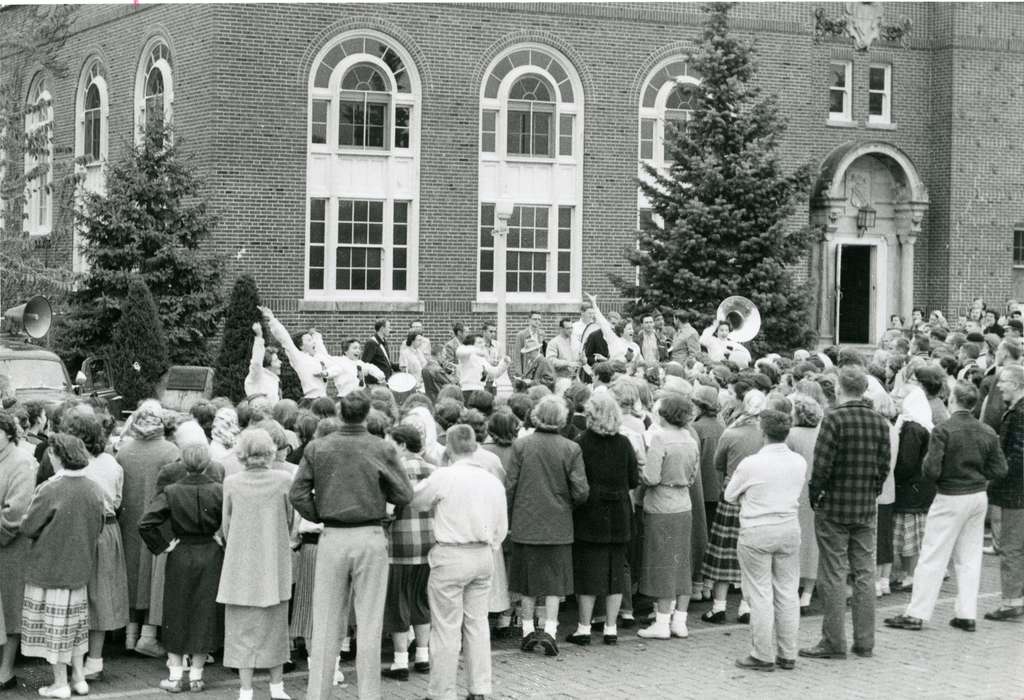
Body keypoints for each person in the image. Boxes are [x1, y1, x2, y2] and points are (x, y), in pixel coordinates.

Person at [290, 391, 413, 700]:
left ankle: (318, 694)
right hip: (370, 535)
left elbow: (298, 493)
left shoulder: (319, 447)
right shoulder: (381, 448)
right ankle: (369, 695)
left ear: (341, 413)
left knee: (326, 620)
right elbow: (404, 494)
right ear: (367, 413)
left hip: (332, 535)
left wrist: (318, 513)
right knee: (369, 622)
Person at [884, 382, 1007, 631]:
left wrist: (944, 475)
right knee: (969, 557)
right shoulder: (986, 431)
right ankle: (966, 613)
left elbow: (930, 470)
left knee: (932, 555)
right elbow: (1000, 469)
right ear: (973, 403)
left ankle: (917, 613)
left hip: (950, 494)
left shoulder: (943, 430)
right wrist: (978, 473)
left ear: (953, 400)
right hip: (977, 494)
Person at [409, 424, 507, 700]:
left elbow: (417, 501)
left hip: (451, 552)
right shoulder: (492, 480)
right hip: (483, 552)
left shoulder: (444, 476)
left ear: (448, 448)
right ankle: (479, 687)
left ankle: (442, 691)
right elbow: (501, 526)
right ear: (475, 446)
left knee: (446, 626)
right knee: (477, 624)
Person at [801, 367, 891, 661]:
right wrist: (872, 491)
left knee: (834, 573)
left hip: (835, 506)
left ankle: (833, 641)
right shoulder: (879, 421)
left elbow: (822, 466)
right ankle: (865, 641)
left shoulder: (834, 419)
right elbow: (883, 466)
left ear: (840, 388)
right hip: (864, 505)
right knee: (865, 573)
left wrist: (817, 495)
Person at [19, 433, 105, 699]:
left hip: (49, 569)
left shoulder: (49, 488)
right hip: (79, 570)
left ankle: (60, 683)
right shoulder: (94, 487)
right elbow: (99, 526)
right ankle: (78, 678)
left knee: (53, 629)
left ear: (57, 456)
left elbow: (28, 526)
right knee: (76, 628)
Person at [506, 395, 589, 657]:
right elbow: (581, 490)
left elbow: (510, 486)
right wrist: (566, 505)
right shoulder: (571, 448)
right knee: (555, 581)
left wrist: (510, 514)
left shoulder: (521, 445)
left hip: (526, 519)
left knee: (527, 580)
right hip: (558, 521)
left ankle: (528, 630)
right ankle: (551, 631)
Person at [139, 440, 224, 692]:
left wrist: (163, 546)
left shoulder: (172, 491)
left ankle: (175, 675)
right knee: (204, 611)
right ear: (207, 462)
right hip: (210, 552)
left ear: (182, 463)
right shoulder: (219, 489)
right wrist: (221, 538)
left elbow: (145, 523)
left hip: (181, 552)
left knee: (176, 611)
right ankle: (197, 675)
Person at [725, 409, 806, 671]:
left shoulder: (751, 464)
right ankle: (788, 652)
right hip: (788, 526)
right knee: (787, 591)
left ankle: (762, 653)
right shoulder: (798, 461)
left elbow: (729, 494)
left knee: (759, 593)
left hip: (757, 528)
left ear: (763, 432)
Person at [218, 428, 294, 700]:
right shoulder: (284, 479)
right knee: (275, 625)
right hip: (273, 561)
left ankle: (246, 690)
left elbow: (226, 525)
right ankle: (277, 687)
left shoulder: (232, 482)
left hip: (240, 562)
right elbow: (290, 519)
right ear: (271, 452)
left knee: (241, 630)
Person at [567, 393, 638, 646]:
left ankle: (584, 628)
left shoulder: (581, 443)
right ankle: (610, 628)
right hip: (619, 511)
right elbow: (633, 479)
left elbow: (575, 482)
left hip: (590, 512)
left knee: (587, 573)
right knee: (615, 573)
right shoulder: (624, 443)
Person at [115, 400, 180, 656]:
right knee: (154, 576)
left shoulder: (123, 451)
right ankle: (148, 635)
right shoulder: (170, 451)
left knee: (131, 573)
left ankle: (130, 634)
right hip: (160, 521)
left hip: (128, 520)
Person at [69, 413, 129, 682]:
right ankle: (95, 660)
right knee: (102, 594)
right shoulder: (111, 463)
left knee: (76, 594)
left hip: (79, 530)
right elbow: (116, 501)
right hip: (107, 528)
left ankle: (77, 659)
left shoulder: (73, 464)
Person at [636, 394, 700, 640]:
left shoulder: (659, 438)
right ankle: (680, 620)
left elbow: (651, 477)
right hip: (683, 503)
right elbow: (693, 476)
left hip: (661, 504)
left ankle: (662, 621)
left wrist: (640, 466)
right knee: (682, 562)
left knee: (662, 564)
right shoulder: (689, 439)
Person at [701, 390, 766, 624]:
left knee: (724, 550)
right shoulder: (767, 435)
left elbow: (718, 464)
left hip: (732, 492)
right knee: (751, 553)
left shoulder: (731, 433)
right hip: (758, 496)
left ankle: (718, 606)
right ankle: (745, 607)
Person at [381, 425, 434, 681]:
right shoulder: (433, 470)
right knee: (421, 599)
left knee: (397, 602)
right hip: (428, 544)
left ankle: (400, 660)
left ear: (401, 445)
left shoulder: (392, 470)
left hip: (398, 545)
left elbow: (388, 511)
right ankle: (423, 655)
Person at [983, 365, 1024, 621]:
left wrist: (995, 478)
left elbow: (1016, 457)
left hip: (1014, 493)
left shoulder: (1018, 414)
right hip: (1017, 490)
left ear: (1018, 384)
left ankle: (1011, 601)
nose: (999, 386)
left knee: (1011, 547)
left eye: (1005, 382)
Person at [0, 412, 37, 688]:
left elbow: (17, 513)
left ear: (8, 432)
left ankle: (6, 670)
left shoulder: (22, 462)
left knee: (11, 609)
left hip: (9, 548)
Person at [889, 385, 934, 592]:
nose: (896, 401)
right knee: (912, 536)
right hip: (919, 487)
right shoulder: (919, 425)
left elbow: (906, 462)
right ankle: (909, 573)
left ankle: (910, 575)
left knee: (908, 537)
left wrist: (893, 474)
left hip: (910, 489)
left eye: (900, 398)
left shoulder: (912, 428)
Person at [786, 393, 823, 615]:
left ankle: (791, 590)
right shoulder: (823, 434)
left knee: (794, 543)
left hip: (795, 492)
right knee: (813, 543)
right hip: (816, 494)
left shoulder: (791, 436)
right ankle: (807, 595)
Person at [260, 306, 336, 400]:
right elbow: (285, 339)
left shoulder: (318, 356)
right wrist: (272, 319)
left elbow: (336, 367)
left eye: (312, 340)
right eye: (309, 340)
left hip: (324, 398)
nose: (313, 342)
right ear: (301, 346)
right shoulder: (299, 357)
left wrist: (327, 373)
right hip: (311, 398)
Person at [455, 334, 510, 403]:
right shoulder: (466, 356)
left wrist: (504, 363)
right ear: (470, 345)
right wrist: (478, 351)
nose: (483, 344)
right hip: (468, 391)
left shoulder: (482, 359)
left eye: (483, 342)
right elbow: (459, 351)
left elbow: (495, 373)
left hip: (481, 391)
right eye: (479, 342)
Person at [245, 322, 282, 402]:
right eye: (276, 360)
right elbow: (256, 363)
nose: (280, 362)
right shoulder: (257, 375)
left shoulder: (274, 379)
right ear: (268, 364)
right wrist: (259, 336)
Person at [513, 311, 544, 375]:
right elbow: (517, 356)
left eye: (539, 319)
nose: (537, 321)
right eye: (535, 319)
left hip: (538, 369)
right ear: (529, 320)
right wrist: (519, 373)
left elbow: (542, 352)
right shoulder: (521, 335)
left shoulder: (541, 334)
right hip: (526, 368)